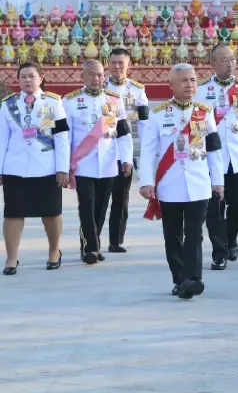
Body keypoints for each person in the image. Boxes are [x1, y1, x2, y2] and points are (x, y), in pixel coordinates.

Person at [139, 63, 224, 299]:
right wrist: (146, 182)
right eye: (184, 80)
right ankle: (179, 279)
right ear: (172, 85)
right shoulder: (158, 114)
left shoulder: (205, 112)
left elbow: (214, 149)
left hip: (199, 182)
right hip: (170, 184)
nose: (190, 84)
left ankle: (193, 279)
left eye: (193, 80)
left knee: (195, 233)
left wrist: (218, 181)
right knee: (173, 235)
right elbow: (147, 150)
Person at [0, 60, 70, 274]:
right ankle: (12, 258)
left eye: (32, 76)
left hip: (46, 167)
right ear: (18, 80)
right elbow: (2, 139)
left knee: (51, 213)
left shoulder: (54, 102)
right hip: (15, 168)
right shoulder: (8, 104)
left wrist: (63, 168)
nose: (28, 80)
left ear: (41, 78)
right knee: (13, 214)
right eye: (23, 76)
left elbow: (61, 137)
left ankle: (54, 252)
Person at [198, 44, 238, 270]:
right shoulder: (201, 90)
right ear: (213, 63)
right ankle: (219, 252)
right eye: (224, 60)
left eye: (232, 59)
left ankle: (231, 238)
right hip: (212, 159)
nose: (230, 63)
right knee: (214, 208)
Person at [65, 60, 132, 265]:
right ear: (83, 77)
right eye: (91, 75)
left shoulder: (114, 100)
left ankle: (92, 244)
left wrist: (126, 159)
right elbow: (65, 137)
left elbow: (123, 134)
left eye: (100, 75)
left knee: (101, 207)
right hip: (83, 163)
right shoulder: (70, 101)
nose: (96, 79)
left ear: (105, 77)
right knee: (87, 205)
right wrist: (64, 165)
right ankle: (91, 248)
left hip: (108, 161)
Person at [105, 47, 148, 254]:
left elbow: (144, 122)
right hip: (102, 149)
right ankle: (89, 243)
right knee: (96, 200)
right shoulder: (98, 86)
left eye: (121, 63)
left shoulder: (137, 90)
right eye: (113, 62)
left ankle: (115, 240)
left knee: (121, 199)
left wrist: (146, 149)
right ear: (107, 64)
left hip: (124, 150)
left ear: (128, 64)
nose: (117, 66)